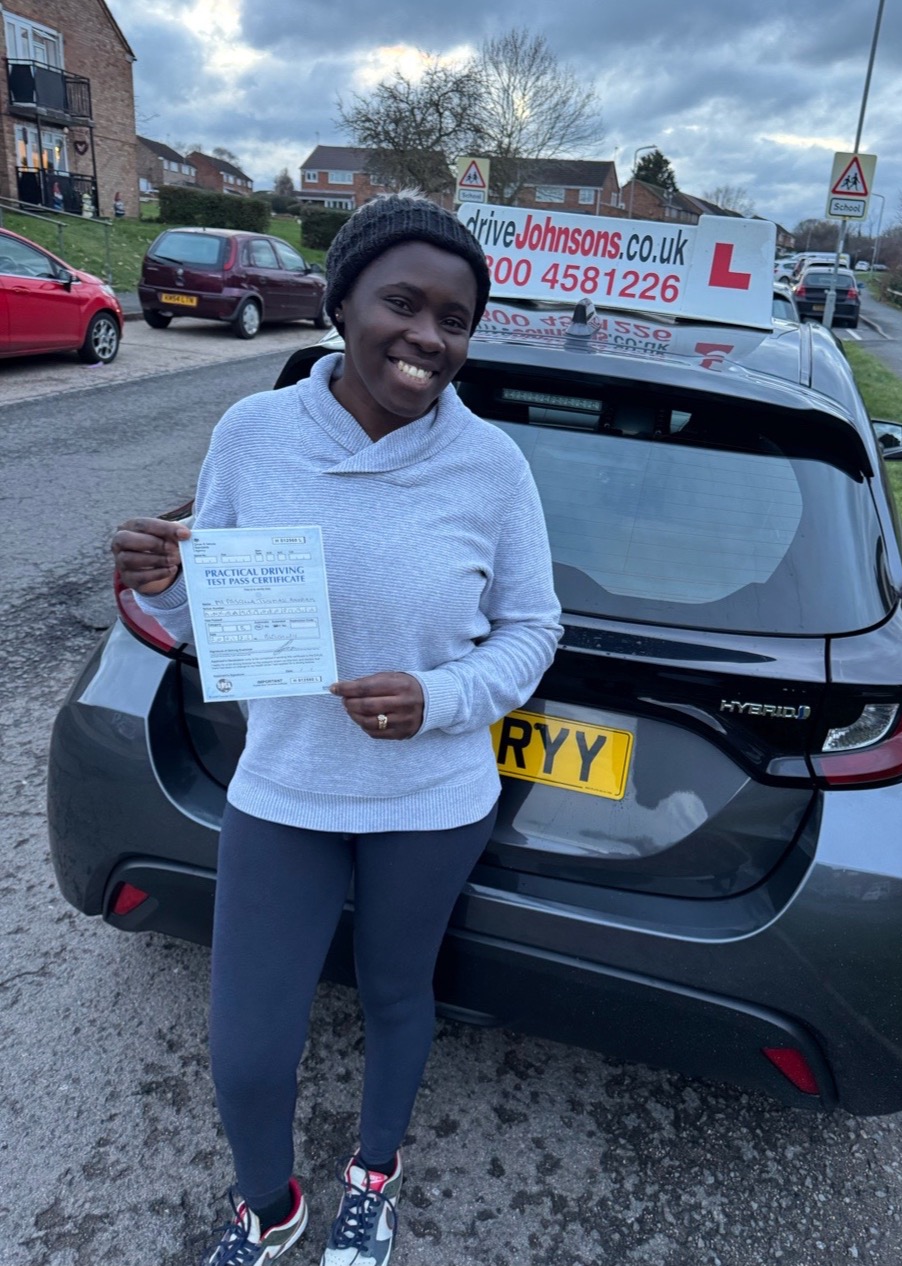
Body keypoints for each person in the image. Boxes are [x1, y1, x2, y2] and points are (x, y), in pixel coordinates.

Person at [110, 192, 562, 1266]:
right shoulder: (254, 435)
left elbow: (534, 626)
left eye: (454, 320)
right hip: (288, 786)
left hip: (432, 799)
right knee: (249, 1045)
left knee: (399, 995)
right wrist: (164, 581)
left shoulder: (492, 465)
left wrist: (439, 697)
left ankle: (374, 1175)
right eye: (402, 303)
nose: (428, 337)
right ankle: (267, 1206)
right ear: (340, 301)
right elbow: (201, 613)